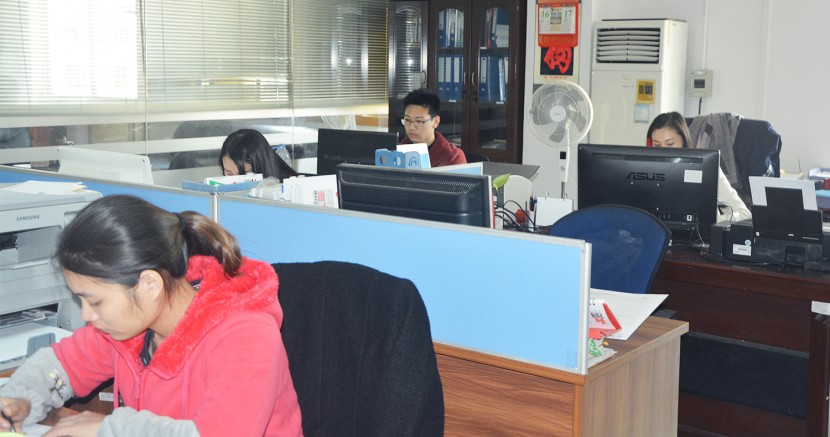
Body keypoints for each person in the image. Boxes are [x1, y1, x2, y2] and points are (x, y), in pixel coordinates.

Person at [0, 195, 302, 437]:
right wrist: (21, 398)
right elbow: (62, 364)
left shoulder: (245, 335)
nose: (87, 314)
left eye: (95, 301)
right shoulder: (131, 325)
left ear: (149, 284)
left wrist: (109, 429)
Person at [647, 111, 752, 223]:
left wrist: (708, 220)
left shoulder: (708, 170)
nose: (663, 151)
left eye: (670, 144)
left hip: (697, 233)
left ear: (684, 141)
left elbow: (744, 214)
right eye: (657, 145)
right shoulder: (645, 170)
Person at [398, 88, 467, 167]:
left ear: (435, 122)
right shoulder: (398, 151)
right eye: (407, 120)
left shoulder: (453, 157)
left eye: (419, 121)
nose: (411, 127)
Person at [220, 128, 298, 181]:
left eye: (243, 175)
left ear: (262, 165)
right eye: (229, 174)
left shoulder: (287, 186)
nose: (234, 182)